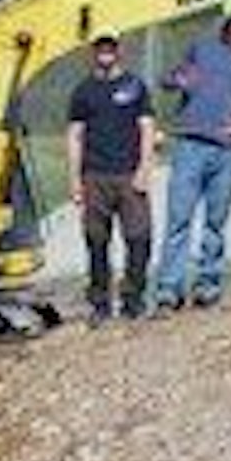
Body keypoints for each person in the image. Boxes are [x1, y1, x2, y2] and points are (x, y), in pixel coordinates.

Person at [154, 0, 231, 311]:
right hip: (190, 146)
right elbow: (167, 79)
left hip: (225, 153)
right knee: (179, 220)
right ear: (224, 24)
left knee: (215, 223)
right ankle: (169, 288)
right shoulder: (201, 50)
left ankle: (208, 285)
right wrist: (177, 79)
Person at [66, 25, 156, 326]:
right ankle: (100, 303)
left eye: (111, 46)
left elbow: (147, 129)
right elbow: (75, 135)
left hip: (130, 175)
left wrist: (145, 168)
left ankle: (133, 300)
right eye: (101, 46)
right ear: (94, 51)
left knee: (139, 237)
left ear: (119, 49)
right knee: (96, 240)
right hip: (95, 176)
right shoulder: (82, 91)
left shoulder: (135, 86)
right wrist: (75, 180)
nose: (106, 51)